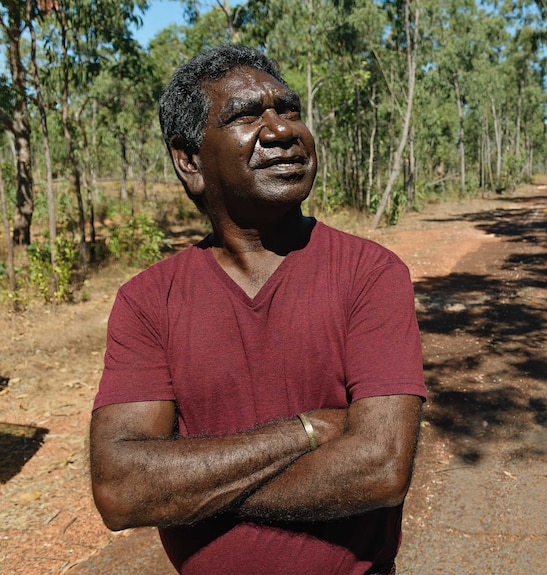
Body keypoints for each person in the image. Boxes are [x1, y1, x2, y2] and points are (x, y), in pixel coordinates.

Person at [89, 44, 426, 575]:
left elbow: (380, 467)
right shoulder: (149, 300)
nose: (282, 129)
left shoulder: (370, 273)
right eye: (246, 115)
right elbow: (120, 487)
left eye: (289, 110)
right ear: (189, 159)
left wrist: (185, 491)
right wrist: (306, 432)